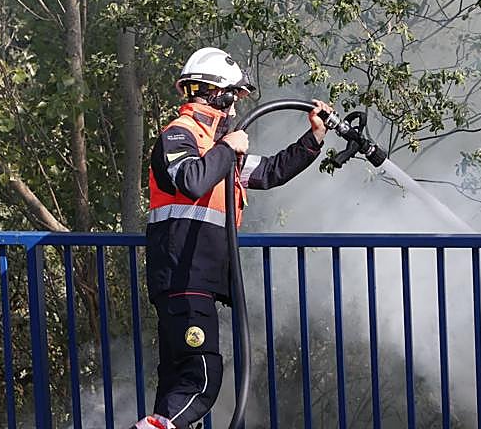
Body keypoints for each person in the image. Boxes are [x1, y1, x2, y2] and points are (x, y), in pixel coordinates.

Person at [134, 47, 332, 429]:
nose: (236, 107)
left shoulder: (218, 150)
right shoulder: (180, 134)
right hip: (183, 279)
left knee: (177, 382)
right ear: (217, 94)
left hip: (193, 281)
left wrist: (314, 138)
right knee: (201, 380)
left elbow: (270, 172)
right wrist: (228, 147)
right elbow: (191, 180)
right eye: (234, 96)